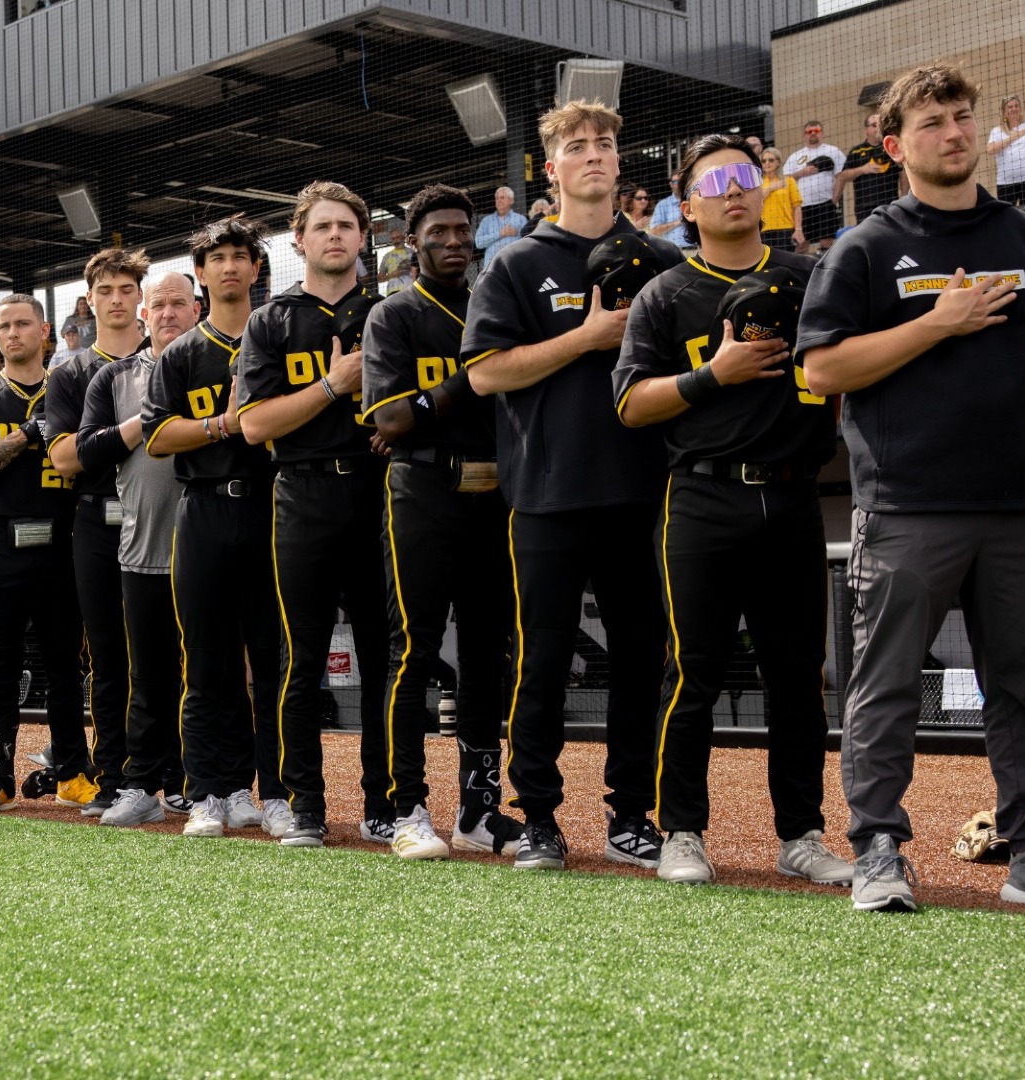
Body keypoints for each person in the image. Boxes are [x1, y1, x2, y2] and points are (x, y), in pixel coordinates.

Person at [798, 64, 1025, 912]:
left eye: (963, 118)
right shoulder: (863, 248)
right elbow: (822, 370)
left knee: (1021, 684)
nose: (956, 133)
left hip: (1020, 503)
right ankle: (879, 853)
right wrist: (937, 323)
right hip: (905, 505)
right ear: (895, 146)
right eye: (933, 123)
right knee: (885, 684)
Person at [613, 133, 850, 888]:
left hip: (791, 493)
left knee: (798, 677)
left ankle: (802, 834)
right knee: (691, 672)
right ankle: (682, 830)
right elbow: (629, 404)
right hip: (702, 497)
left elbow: (845, 368)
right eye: (716, 183)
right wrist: (713, 375)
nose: (735, 190)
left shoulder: (811, 276)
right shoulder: (666, 293)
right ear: (689, 208)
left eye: (746, 176)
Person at [463, 99, 679, 873]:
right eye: (577, 147)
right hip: (546, 495)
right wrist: (585, 337)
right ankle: (541, 819)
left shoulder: (660, 261)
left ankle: (631, 816)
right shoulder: (516, 263)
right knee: (542, 664)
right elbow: (485, 373)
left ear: (621, 164)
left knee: (641, 660)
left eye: (607, 145)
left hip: (643, 493)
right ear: (549, 169)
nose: (594, 155)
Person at [361, 183, 523, 861]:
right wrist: (471, 381)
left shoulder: (498, 303)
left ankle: (479, 812)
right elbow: (390, 421)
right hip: (423, 492)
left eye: (463, 230)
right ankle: (407, 810)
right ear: (411, 241)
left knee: (489, 655)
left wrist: (436, 402)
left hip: (498, 494)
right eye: (439, 232)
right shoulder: (393, 316)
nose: (454, 241)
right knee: (415, 651)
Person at [236, 180, 392, 849]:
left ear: (364, 238)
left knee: (388, 659)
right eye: (322, 226)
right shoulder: (271, 322)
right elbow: (252, 426)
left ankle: (386, 802)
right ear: (298, 239)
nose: (335, 236)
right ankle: (304, 803)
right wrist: (333, 386)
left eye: (347, 226)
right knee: (299, 658)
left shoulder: (390, 313)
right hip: (300, 494)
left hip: (382, 495)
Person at [139, 215, 283, 838]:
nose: (229, 265)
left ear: (257, 267)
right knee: (206, 661)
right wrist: (224, 425)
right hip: (201, 509)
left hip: (274, 509)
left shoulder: (279, 334)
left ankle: (274, 791)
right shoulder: (181, 354)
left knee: (273, 661)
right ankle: (209, 790)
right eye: (216, 256)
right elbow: (156, 437)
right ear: (201, 274)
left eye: (240, 255)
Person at [0, 293, 93, 812]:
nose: (12, 334)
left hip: (62, 538)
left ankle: (75, 770)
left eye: (22, 324)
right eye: (4, 326)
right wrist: (29, 434)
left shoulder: (70, 385)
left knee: (64, 663)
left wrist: (0, 453)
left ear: (45, 330)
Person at [74, 271, 198, 826]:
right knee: (146, 676)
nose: (167, 313)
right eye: (159, 305)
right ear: (144, 315)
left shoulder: (225, 361)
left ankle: (213, 784)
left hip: (215, 545)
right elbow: (85, 452)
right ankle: (143, 781)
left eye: (178, 303)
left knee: (215, 672)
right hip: (142, 547)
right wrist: (144, 423)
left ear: (196, 308)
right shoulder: (114, 377)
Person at [49, 247, 153, 814]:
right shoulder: (70, 371)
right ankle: (113, 774)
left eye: (125, 288)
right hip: (94, 517)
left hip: (163, 514)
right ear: (90, 301)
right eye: (105, 291)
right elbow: (67, 459)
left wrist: (102, 442)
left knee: (165, 650)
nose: (116, 299)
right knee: (108, 654)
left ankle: (177, 773)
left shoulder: (167, 355)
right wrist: (138, 430)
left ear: (140, 293)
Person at [783, 120, 846, 252]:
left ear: (822, 133)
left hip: (825, 204)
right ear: (804, 135)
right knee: (801, 244)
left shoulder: (833, 151)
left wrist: (834, 200)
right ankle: (801, 271)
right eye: (809, 132)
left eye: (816, 131)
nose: (812, 134)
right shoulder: (795, 156)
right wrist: (800, 173)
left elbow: (841, 176)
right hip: (802, 207)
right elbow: (785, 180)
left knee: (827, 242)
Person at [835, 113, 902, 225]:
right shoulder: (856, 151)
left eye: (881, 125)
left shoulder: (891, 148)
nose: (879, 128)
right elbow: (842, 176)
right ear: (867, 129)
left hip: (890, 205)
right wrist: (862, 170)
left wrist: (903, 197)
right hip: (865, 208)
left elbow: (902, 171)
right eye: (875, 125)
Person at [757, 148, 806, 252]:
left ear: (778, 162)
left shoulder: (788, 180)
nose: (767, 163)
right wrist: (771, 188)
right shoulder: (757, 182)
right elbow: (754, 202)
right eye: (764, 161)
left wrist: (798, 230)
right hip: (763, 230)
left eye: (771, 160)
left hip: (785, 230)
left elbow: (796, 207)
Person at [473, 187, 527, 267]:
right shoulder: (486, 221)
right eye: (497, 198)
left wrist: (517, 234)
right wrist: (500, 234)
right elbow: (478, 242)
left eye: (502, 197)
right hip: (491, 267)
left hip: (514, 265)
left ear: (511, 200)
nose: (499, 200)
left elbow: (526, 242)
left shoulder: (520, 219)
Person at [649, 175, 689, 246]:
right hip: (673, 251)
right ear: (670, 184)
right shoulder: (663, 204)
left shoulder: (692, 201)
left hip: (695, 250)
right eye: (676, 181)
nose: (679, 184)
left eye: (681, 181)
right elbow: (654, 231)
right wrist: (679, 221)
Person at [379, 228, 414, 294]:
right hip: (392, 292)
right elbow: (380, 278)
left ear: (403, 237)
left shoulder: (412, 253)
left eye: (398, 237)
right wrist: (392, 274)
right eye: (393, 238)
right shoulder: (387, 256)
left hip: (410, 290)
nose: (396, 240)